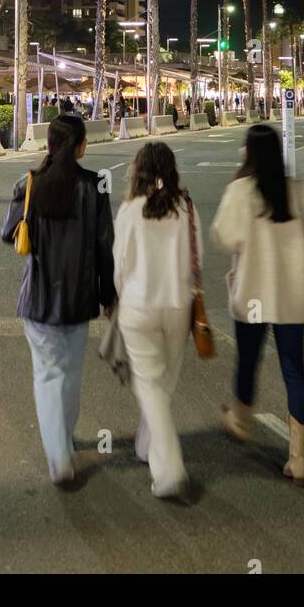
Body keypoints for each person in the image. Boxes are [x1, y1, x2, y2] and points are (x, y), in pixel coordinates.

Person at [0, 115, 116, 486]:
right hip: (79, 300)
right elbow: (104, 247)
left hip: (38, 298)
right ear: (81, 146)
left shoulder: (29, 183)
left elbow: (8, 234)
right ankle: (63, 438)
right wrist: (107, 294)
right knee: (70, 375)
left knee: (48, 375)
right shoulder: (95, 186)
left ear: (49, 144)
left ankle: (59, 457)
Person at [210, 124, 304, 485]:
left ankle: (241, 419)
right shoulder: (295, 191)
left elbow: (224, 237)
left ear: (249, 153)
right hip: (291, 294)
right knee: (294, 369)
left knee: (248, 360)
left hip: (254, 295)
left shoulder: (241, 191)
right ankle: (299, 459)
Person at [113, 142, 200, 500]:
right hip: (179, 305)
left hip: (139, 307)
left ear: (138, 171)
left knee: (150, 386)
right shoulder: (186, 208)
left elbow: (120, 264)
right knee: (163, 383)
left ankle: (169, 471)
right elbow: (199, 259)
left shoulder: (131, 210)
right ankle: (147, 445)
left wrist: (120, 296)